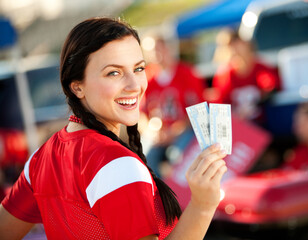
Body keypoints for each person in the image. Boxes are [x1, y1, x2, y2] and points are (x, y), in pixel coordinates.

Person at [0, 17, 227, 240]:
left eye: (139, 69)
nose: (134, 85)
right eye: (114, 72)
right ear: (77, 87)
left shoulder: (41, 158)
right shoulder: (116, 165)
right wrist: (203, 205)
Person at [143, 36, 206, 177]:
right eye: (152, 51)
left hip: (184, 130)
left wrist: (176, 130)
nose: (157, 54)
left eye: (160, 49)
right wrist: (151, 130)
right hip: (159, 133)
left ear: (168, 48)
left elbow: (199, 110)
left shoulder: (187, 73)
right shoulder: (145, 78)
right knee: (145, 157)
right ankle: (160, 196)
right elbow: (140, 114)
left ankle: (183, 194)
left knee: (178, 158)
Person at [212, 30, 279, 121]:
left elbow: (270, 87)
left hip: (261, 122)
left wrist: (257, 101)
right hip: (237, 124)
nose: (236, 50)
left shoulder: (260, 68)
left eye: (239, 45)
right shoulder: (224, 75)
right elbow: (221, 104)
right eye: (232, 47)